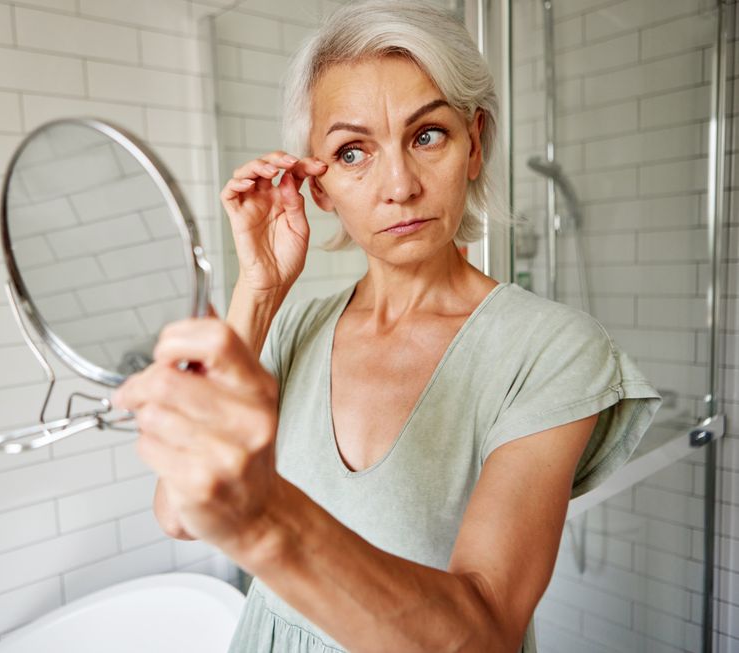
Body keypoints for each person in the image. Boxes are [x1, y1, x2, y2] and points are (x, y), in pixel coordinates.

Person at [111, 1, 662, 651]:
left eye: (427, 135)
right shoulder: (295, 330)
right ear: (318, 189)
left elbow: (484, 632)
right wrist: (257, 292)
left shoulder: (551, 350)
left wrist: (267, 519)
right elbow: (176, 514)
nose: (399, 184)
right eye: (352, 152)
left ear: (474, 143)